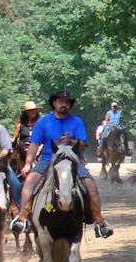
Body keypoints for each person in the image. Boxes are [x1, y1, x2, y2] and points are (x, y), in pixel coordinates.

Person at [10, 90, 114, 238]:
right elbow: (34, 144)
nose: (64, 104)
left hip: (72, 160)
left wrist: (71, 141)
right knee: (29, 182)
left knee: (91, 185)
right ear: (54, 103)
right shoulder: (44, 122)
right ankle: (23, 217)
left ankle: (99, 222)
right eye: (60, 102)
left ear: (70, 105)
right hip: (48, 159)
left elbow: (82, 145)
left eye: (67, 102)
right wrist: (28, 163)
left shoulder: (77, 122)